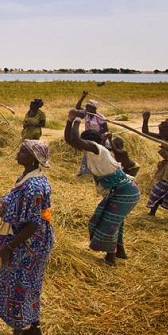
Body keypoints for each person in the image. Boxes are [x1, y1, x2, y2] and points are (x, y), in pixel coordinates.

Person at [0, 140, 54, 335]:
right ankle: (34, 326)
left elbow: (33, 224)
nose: (18, 152)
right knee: (30, 284)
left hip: (27, 245)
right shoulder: (27, 178)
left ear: (33, 158)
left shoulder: (34, 187)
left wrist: (11, 246)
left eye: (23, 151)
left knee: (19, 286)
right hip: (23, 240)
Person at [65, 109, 140, 266]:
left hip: (124, 192)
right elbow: (70, 140)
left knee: (107, 223)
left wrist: (78, 119)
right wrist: (69, 120)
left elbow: (74, 139)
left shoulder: (97, 150)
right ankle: (120, 251)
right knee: (115, 221)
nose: (79, 146)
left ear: (89, 142)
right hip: (122, 191)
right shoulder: (96, 152)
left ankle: (110, 259)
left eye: (82, 143)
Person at [141, 113, 168, 216]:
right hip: (167, 169)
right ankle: (152, 212)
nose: (161, 133)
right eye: (160, 131)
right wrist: (146, 120)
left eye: (163, 131)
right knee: (159, 190)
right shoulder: (163, 137)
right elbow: (145, 132)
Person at [75, 91, 109, 175]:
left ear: (94, 108)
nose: (86, 108)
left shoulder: (100, 117)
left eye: (88, 107)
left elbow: (105, 128)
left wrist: (96, 134)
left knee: (100, 153)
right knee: (87, 154)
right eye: (86, 106)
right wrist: (83, 96)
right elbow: (77, 108)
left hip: (99, 138)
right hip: (88, 137)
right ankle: (84, 171)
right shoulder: (86, 114)